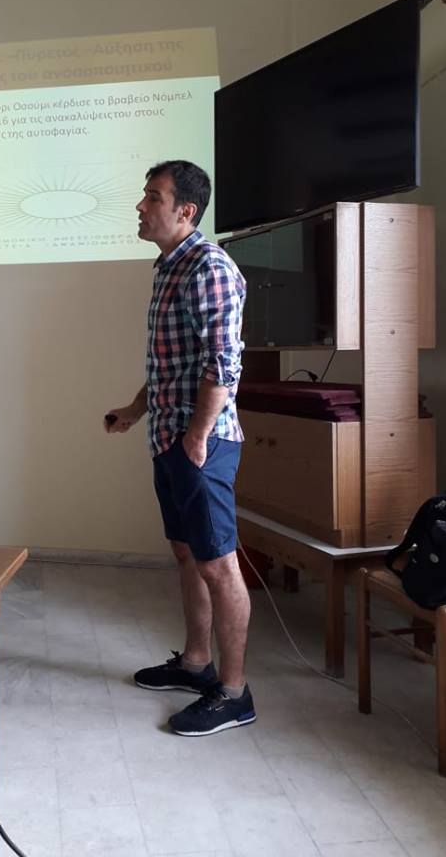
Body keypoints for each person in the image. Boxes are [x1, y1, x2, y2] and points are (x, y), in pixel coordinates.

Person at [104, 159, 254, 737]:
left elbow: (222, 364)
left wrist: (196, 435)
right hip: (171, 435)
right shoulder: (171, 268)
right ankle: (196, 665)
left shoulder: (209, 267)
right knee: (188, 554)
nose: (141, 206)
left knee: (218, 562)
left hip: (200, 444)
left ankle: (234, 693)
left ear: (185, 211)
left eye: (153, 197)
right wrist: (134, 410)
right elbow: (171, 366)